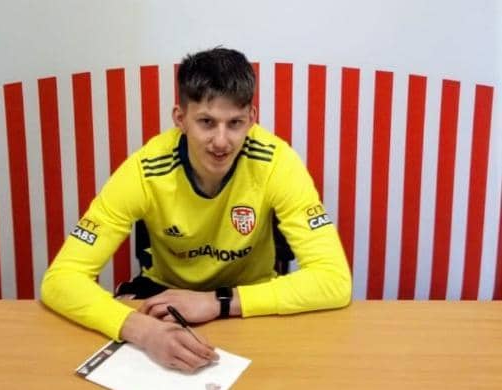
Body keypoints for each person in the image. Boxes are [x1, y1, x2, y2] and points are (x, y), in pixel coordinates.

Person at [41, 47, 352, 372]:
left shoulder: (276, 161)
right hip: (164, 298)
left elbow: (334, 280)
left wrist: (216, 302)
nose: (221, 141)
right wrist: (141, 329)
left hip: (247, 296)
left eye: (235, 123)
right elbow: (60, 279)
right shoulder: (145, 169)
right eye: (206, 122)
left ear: (253, 118)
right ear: (180, 119)